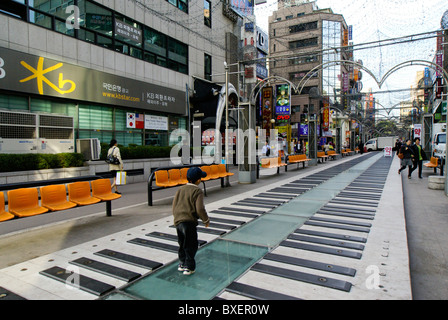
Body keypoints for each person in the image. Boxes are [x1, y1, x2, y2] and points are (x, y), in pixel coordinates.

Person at [172, 167, 210, 276]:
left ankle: (182, 263)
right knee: (191, 244)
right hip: (189, 221)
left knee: (182, 243)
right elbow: (200, 209)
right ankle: (189, 267)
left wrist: (176, 218)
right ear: (198, 180)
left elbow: (174, 205)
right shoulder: (197, 191)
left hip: (178, 221)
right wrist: (206, 220)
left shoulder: (180, 189)